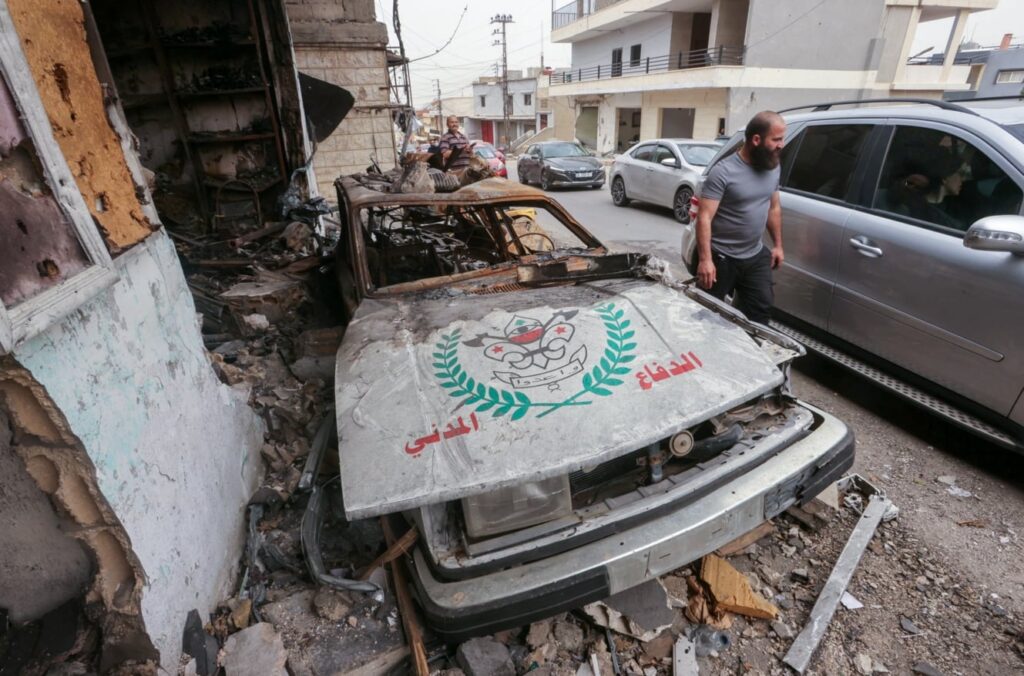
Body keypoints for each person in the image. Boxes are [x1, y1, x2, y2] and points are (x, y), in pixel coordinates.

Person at [694, 110, 786, 324]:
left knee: (760, 312)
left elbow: (773, 207)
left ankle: (747, 345)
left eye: (782, 139)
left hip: (754, 255)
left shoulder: (773, 166)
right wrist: (705, 260)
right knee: (706, 315)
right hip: (721, 257)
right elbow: (704, 217)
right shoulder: (723, 171)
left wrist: (778, 245)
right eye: (776, 139)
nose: (781, 145)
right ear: (756, 140)